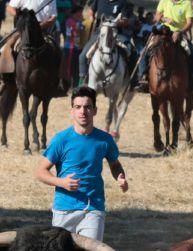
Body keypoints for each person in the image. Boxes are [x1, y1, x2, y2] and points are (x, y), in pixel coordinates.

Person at [35, 85, 128, 242]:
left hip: (93, 209)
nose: (83, 111)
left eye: (87, 107)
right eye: (78, 107)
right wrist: (62, 182)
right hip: (64, 209)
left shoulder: (105, 140)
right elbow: (40, 172)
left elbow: (115, 165)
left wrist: (120, 177)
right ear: (72, 111)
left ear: (95, 110)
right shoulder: (61, 140)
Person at [0, 0, 59, 93]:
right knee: (6, 48)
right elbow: (10, 7)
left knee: (56, 50)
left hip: (42, 31)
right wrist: (21, 17)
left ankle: (57, 82)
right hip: (24, 30)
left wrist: (41, 25)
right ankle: (4, 80)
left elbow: (53, 17)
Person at [78, 0, 137, 86]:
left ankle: (132, 82)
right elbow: (91, 10)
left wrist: (116, 22)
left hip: (116, 34)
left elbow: (125, 21)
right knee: (82, 56)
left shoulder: (123, 2)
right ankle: (82, 83)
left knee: (133, 52)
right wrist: (91, 16)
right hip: (99, 33)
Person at [138, 0, 193, 89]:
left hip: (179, 33)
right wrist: (164, 19)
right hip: (162, 31)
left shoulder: (187, 4)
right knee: (143, 52)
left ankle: (192, 80)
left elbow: (190, 23)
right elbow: (157, 16)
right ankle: (143, 77)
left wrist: (179, 31)